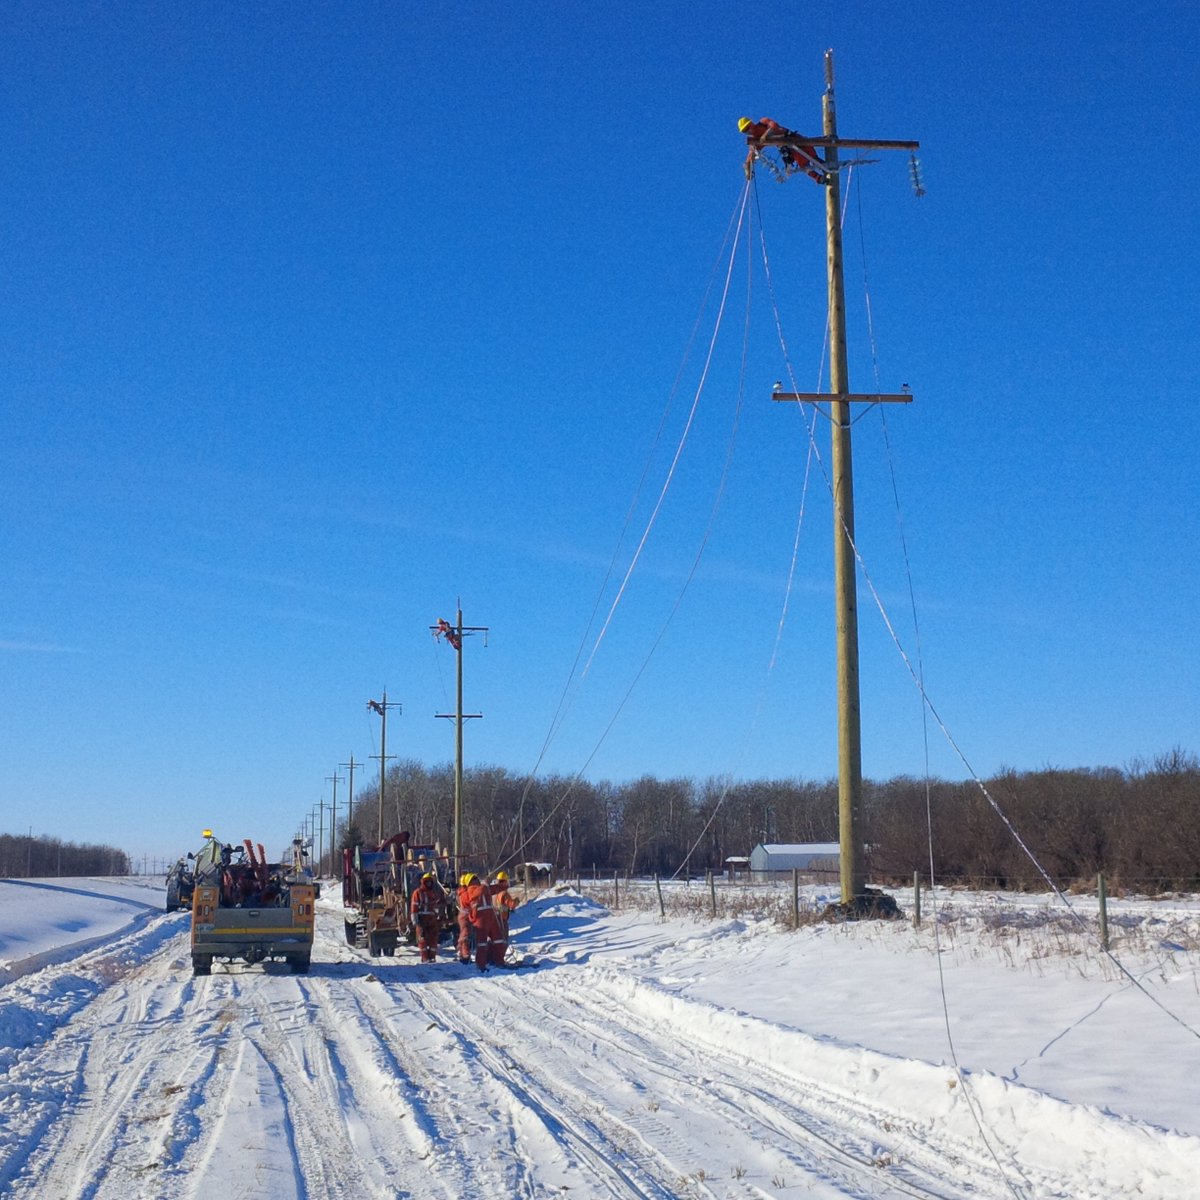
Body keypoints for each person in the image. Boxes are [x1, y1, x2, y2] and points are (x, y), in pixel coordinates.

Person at [738, 116, 826, 184]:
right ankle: (818, 177)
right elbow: (751, 154)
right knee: (802, 162)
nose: (748, 131)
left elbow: (774, 126)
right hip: (788, 147)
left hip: (793, 137)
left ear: (751, 123)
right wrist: (747, 168)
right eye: (745, 131)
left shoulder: (763, 122)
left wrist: (765, 135)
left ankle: (824, 166)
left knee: (810, 153)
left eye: (747, 128)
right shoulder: (755, 141)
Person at [458, 872, 504, 971]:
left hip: (491, 917)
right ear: (469, 882)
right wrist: (486, 883)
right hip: (480, 918)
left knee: (498, 939)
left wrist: (502, 885)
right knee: (481, 942)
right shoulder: (470, 891)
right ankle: (480, 965)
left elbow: (491, 889)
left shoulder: (484, 887)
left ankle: (499, 961)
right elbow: (478, 892)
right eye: (474, 879)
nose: (477, 880)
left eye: (476, 878)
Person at [410, 872, 446, 963]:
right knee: (422, 939)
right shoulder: (417, 892)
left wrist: (444, 902)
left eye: (430, 882)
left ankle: (432, 957)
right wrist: (415, 921)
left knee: (433, 939)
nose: (429, 883)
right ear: (423, 882)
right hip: (421, 918)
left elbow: (437, 904)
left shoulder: (433, 893)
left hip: (432, 919)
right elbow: (414, 907)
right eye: (427, 881)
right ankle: (425, 958)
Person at [491, 870, 519, 943]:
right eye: (506, 881)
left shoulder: (493, 892)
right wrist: (517, 901)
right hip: (502, 918)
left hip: (493, 918)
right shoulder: (504, 893)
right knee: (503, 939)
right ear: (504, 882)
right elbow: (512, 905)